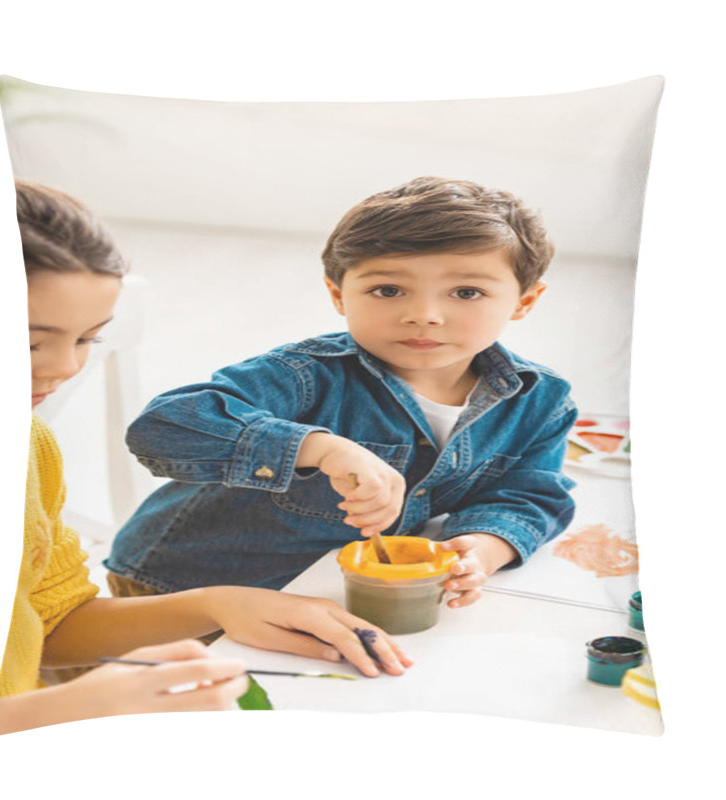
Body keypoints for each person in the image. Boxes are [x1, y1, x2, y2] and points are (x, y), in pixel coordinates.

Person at [0, 180, 412, 736]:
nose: (68, 368)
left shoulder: (28, 444)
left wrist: (222, 605)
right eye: (28, 342)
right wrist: (54, 712)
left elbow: (51, 623)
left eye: (88, 340)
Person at [105, 176, 577, 610]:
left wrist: (486, 546)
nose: (425, 315)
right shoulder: (305, 373)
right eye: (388, 290)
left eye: (467, 293)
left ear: (524, 301)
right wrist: (319, 448)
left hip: (329, 596)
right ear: (338, 296)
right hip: (183, 587)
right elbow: (163, 426)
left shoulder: (540, 400)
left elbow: (529, 494)